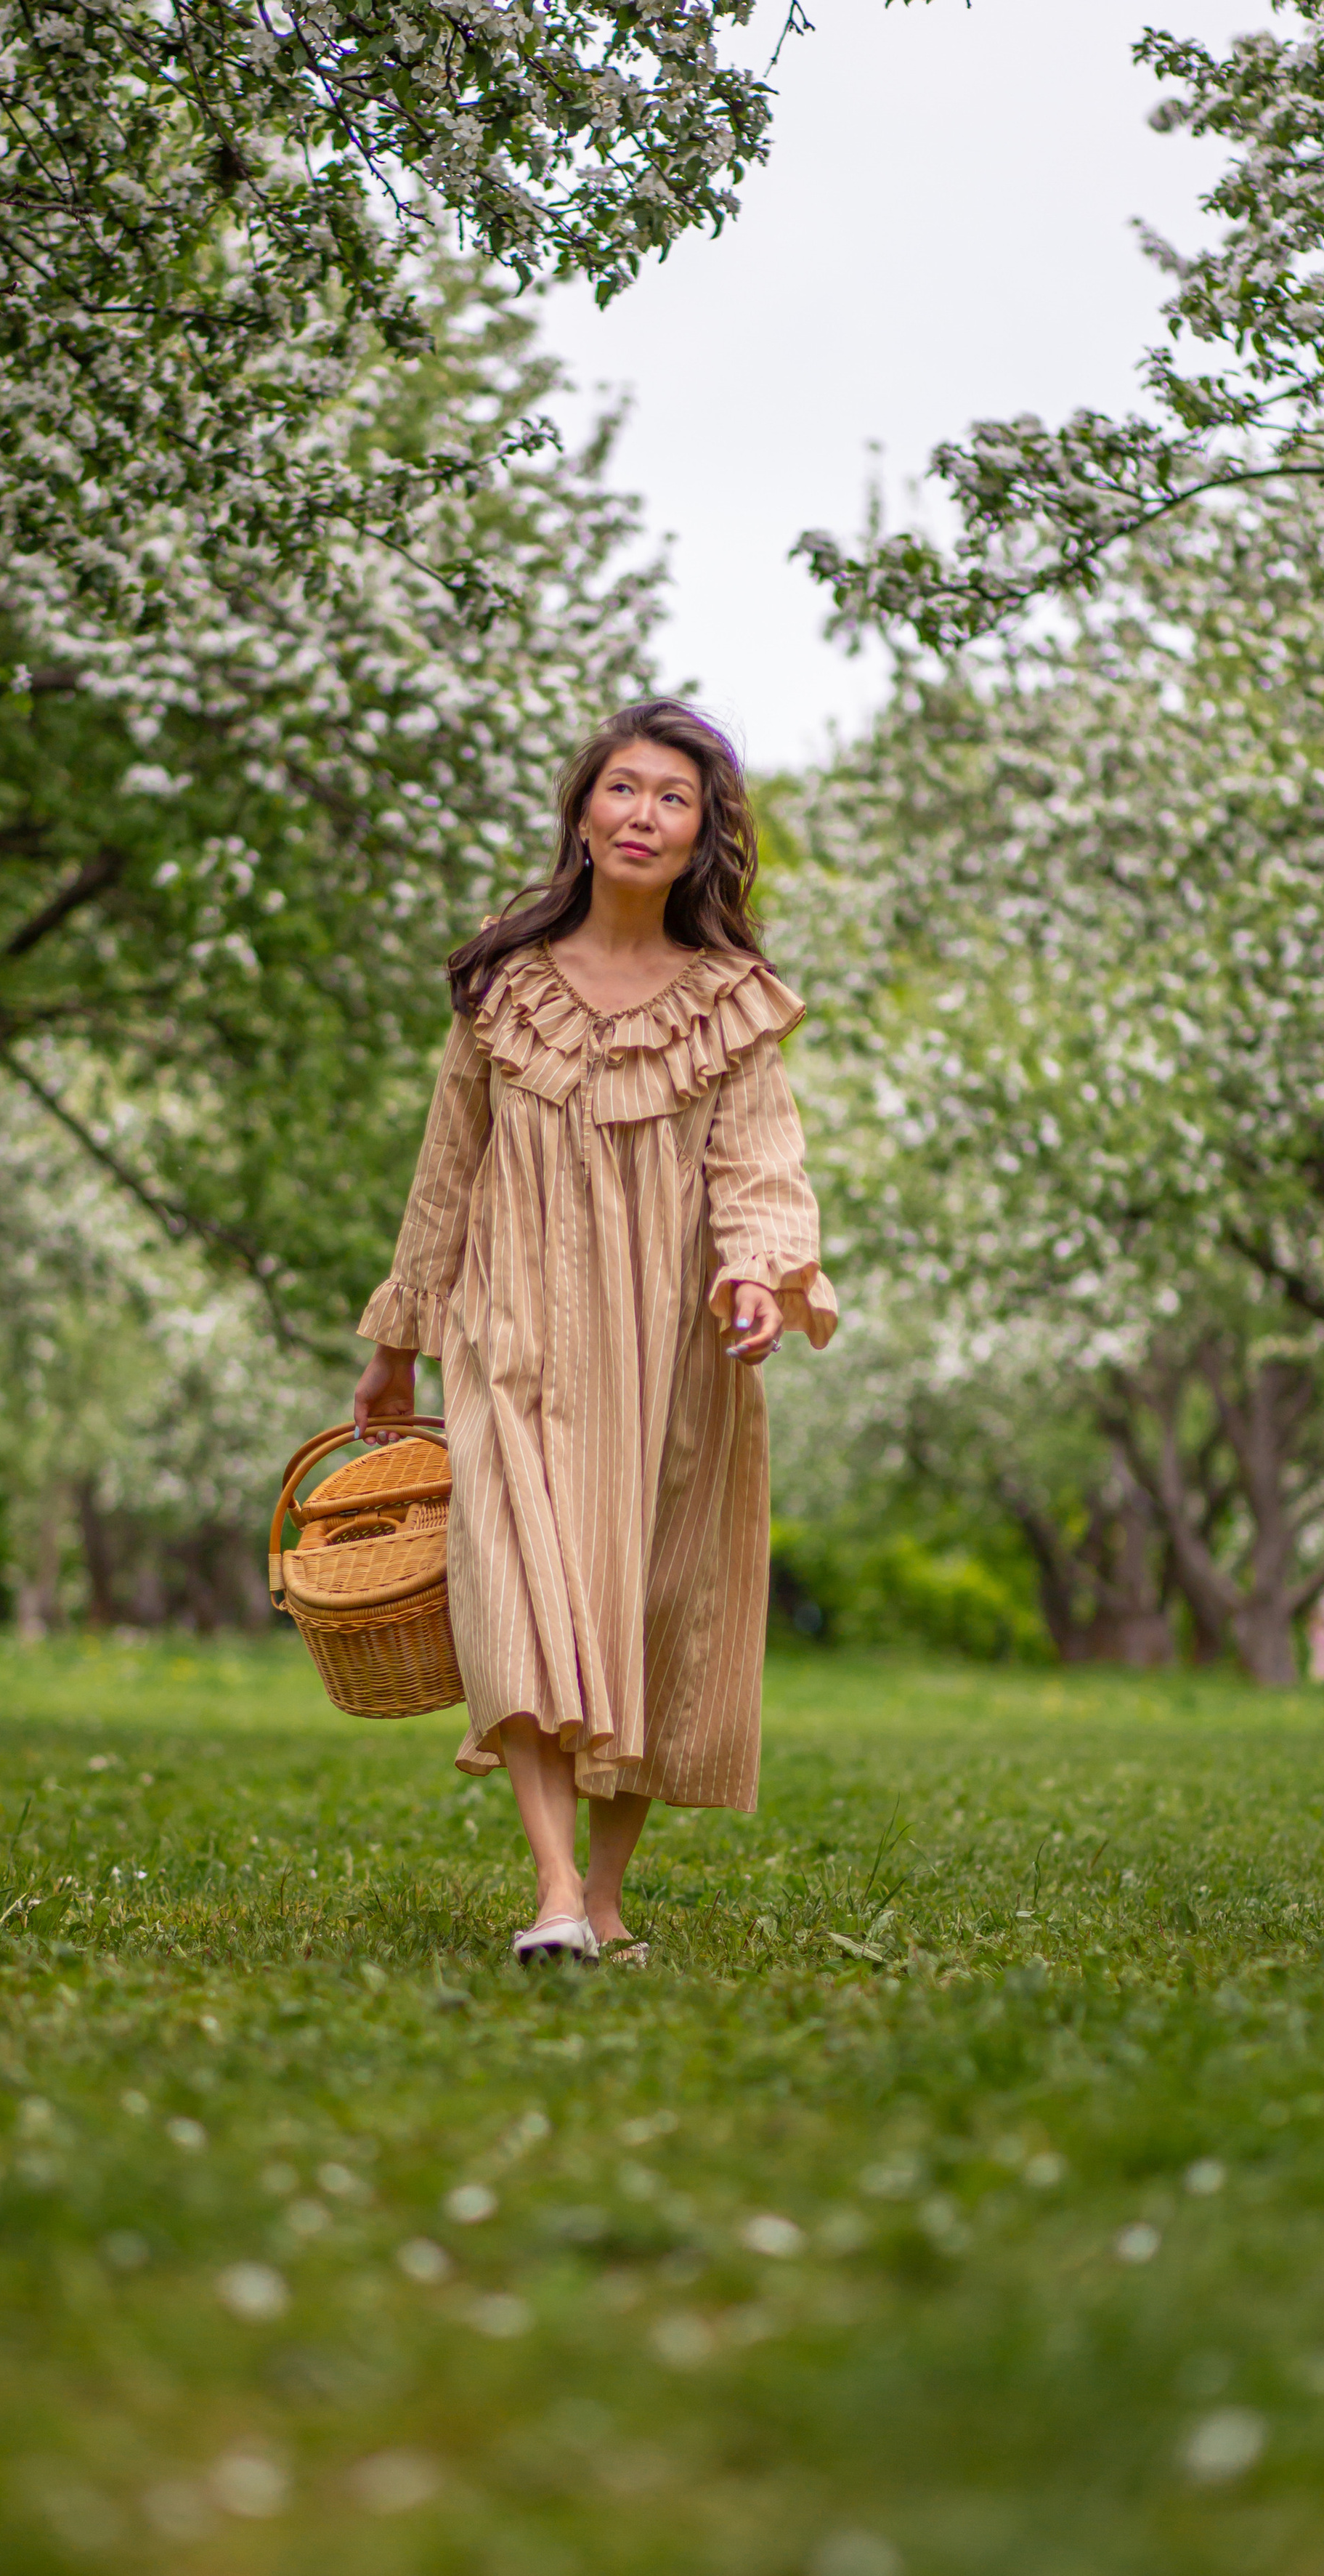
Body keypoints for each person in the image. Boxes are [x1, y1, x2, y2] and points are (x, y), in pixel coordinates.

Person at [352, 700, 835, 1965]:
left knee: (652, 1598)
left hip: (671, 1343)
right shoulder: (504, 988)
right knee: (512, 1579)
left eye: (673, 799)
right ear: (582, 813)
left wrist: (758, 1277)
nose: (643, 814)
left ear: (702, 839)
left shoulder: (729, 1002)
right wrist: (399, 1335)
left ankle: (606, 1901)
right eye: (623, 788)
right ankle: (555, 1891)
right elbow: (447, 1165)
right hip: (511, 1325)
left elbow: (763, 1166)